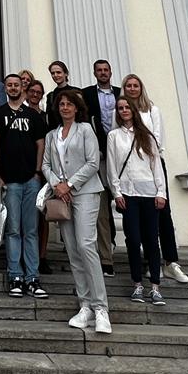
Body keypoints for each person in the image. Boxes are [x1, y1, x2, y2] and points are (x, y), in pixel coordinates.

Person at [42, 89, 111, 333]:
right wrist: (57, 185)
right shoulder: (52, 135)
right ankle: (85, 305)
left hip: (85, 192)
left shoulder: (85, 130)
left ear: (76, 108)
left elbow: (93, 162)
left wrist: (69, 184)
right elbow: (46, 165)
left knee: (86, 245)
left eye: (69, 104)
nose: (65, 107)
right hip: (62, 197)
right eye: (62, 104)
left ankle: (101, 307)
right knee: (72, 250)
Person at [121, 74, 188, 284]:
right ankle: (151, 262)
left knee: (163, 212)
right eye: (128, 86)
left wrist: (146, 154)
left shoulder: (151, 110)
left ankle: (171, 261)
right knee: (140, 217)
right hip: (132, 170)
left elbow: (157, 139)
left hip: (153, 164)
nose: (132, 89)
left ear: (141, 88)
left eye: (136, 85)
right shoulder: (121, 110)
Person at [0, 74, 48, 299]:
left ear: (21, 88)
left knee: (31, 230)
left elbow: (40, 144)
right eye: (9, 85)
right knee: (13, 230)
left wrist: (37, 172)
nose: (13, 88)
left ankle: (32, 277)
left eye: (16, 84)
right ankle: (15, 275)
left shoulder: (33, 115)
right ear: (5, 88)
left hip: (31, 180)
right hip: (9, 181)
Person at [107, 96, 167, 307]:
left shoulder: (146, 136)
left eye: (127, 107)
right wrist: (116, 192)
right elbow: (112, 166)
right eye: (120, 108)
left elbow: (156, 165)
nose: (124, 110)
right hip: (128, 193)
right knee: (133, 239)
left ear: (133, 110)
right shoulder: (114, 136)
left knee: (151, 240)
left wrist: (161, 192)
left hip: (149, 192)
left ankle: (155, 286)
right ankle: (137, 284)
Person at [82, 59, 120, 276]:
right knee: (102, 208)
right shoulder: (87, 94)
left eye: (106, 70)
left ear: (110, 72)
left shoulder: (121, 93)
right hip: (99, 156)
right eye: (99, 70)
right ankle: (107, 255)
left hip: (121, 156)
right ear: (95, 73)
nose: (103, 73)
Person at [24, 78, 51, 275]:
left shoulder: (46, 117)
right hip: (23, 168)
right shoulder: (21, 114)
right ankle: (25, 255)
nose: (34, 94)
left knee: (42, 215)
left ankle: (41, 256)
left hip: (43, 170)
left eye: (38, 92)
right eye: (32, 91)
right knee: (25, 215)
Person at [46, 60, 72, 129]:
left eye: (58, 72)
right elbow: (50, 119)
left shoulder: (76, 92)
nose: (55, 75)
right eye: (53, 73)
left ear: (66, 73)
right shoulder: (50, 96)